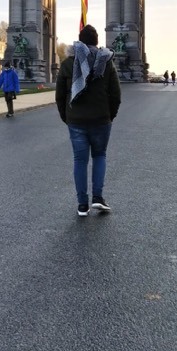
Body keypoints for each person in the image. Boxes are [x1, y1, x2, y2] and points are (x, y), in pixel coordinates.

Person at [55, 24, 121, 217]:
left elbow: (60, 96)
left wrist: (67, 117)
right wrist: (110, 115)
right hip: (101, 119)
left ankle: (82, 204)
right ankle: (98, 198)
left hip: (76, 120)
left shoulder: (68, 63)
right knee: (99, 156)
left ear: (79, 41)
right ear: (97, 41)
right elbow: (116, 94)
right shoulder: (106, 61)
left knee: (80, 160)